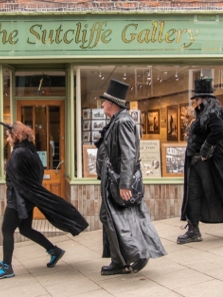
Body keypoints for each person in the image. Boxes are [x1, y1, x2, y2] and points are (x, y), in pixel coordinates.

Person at [0, 121, 89, 280]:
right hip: (27, 198)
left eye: (8, 136)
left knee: (7, 230)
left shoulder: (18, 153)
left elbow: (18, 180)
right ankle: (54, 250)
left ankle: (7, 267)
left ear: (16, 136)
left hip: (18, 200)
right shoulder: (30, 151)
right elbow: (36, 175)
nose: (7, 140)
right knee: (25, 229)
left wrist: (19, 196)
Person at [95, 79, 167, 275]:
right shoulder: (117, 121)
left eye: (104, 101)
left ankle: (128, 258)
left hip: (118, 181)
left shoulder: (123, 122)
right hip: (113, 180)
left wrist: (124, 184)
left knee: (119, 218)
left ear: (111, 104)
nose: (102, 105)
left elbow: (128, 153)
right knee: (114, 218)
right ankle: (125, 259)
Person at [177, 77, 223, 244]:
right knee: (194, 193)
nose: (195, 103)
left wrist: (205, 150)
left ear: (205, 99)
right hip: (196, 162)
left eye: (197, 99)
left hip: (212, 161)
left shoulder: (214, 113)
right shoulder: (203, 114)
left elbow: (218, 131)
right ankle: (193, 229)